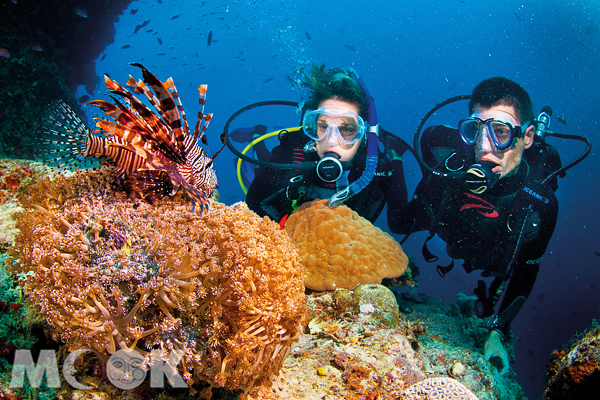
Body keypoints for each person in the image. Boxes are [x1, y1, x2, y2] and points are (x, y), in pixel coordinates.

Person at [389, 77, 561, 375]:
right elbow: (428, 139)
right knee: (397, 222)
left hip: (490, 256)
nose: (484, 147)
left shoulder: (540, 206)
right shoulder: (452, 160)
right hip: (446, 225)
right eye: (476, 130)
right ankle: (392, 160)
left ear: (528, 136)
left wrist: (497, 330)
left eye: (501, 132)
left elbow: (525, 273)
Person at [245, 64, 410, 226]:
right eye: (323, 126)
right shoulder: (291, 154)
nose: (330, 140)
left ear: (363, 134)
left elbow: (399, 223)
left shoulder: (377, 169)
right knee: (262, 159)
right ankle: (257, 135)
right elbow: (254, 201)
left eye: (346, 129)